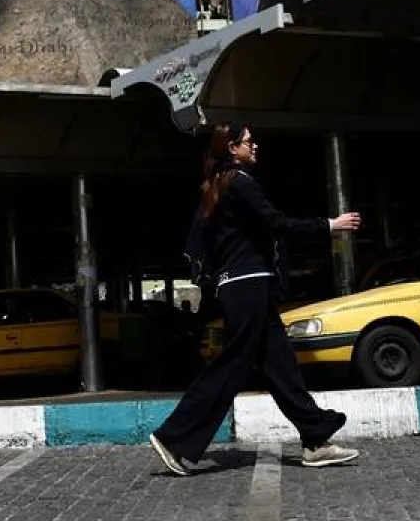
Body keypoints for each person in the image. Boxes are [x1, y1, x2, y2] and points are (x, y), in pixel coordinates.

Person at [149, 121, 364, 475]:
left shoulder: (220, 184)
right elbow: (276, 223)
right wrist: (330, 225)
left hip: (246, 287)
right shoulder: (240, 183)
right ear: (232, 148)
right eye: (249, 141)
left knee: (281, 367)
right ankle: (175, 437)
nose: (256, 146)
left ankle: (315, 440)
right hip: (247, 287)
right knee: (232, 365)